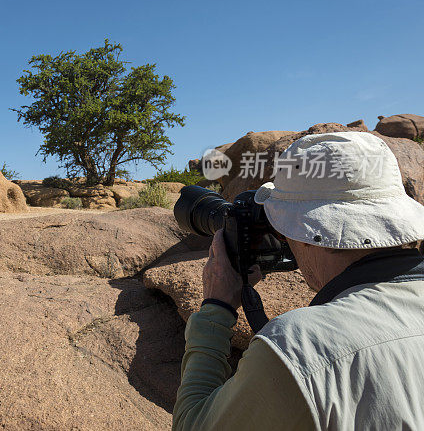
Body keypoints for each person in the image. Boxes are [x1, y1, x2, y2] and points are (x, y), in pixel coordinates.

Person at [172, 131, 424, 430]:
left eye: (280, 226)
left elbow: (192, 425)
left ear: (305, 232)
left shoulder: (299, 347)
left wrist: (216, 305)